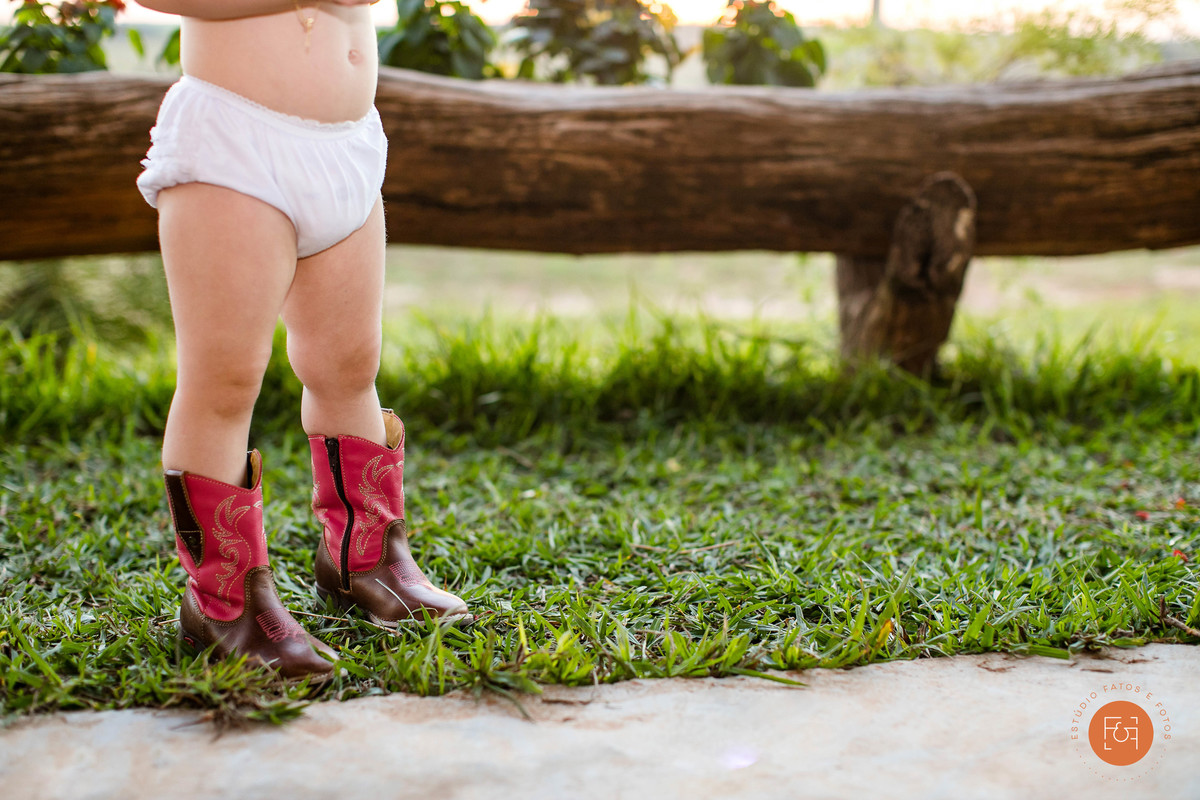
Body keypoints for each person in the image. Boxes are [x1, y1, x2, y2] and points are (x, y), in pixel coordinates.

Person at [134, 0, 472, 681]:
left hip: (346, 143)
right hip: (236, 144)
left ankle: (365, 557)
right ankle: (222, 603)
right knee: (224, 379)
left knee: (348, 364)